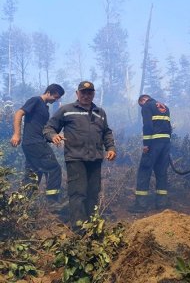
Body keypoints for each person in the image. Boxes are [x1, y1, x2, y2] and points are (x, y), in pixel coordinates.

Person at [43, 81, 116, 230]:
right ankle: (78, 228)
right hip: (75, 158)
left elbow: (106, 132)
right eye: (83, 92)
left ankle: (92, 225)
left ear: (93, 94)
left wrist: (111, 148)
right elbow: (49, 128)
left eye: (89, 93)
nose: (86, 95)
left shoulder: (100, 113)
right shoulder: (66, 110)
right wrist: (53, 136)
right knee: (78, 192)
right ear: (77, 93)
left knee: (93, 192)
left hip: (95, 159)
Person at [10, 84, 65, 202]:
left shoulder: (45, 108)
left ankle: (23, 204)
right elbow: (19, 113)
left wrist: (53, 137)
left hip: (33, 143)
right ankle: (52, 201)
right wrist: (16, 134)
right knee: (54, 168)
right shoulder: (35, 100)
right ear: (49, 92)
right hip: (35, 143)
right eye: (55, 97)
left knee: (33, 174)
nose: (56, 100)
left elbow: (42, 128)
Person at [129, 94, 172, 213]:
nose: (141, 107)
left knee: (144, 171)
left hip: (153, 143)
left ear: (143, 100)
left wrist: (146, 144)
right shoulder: (165, 107)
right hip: (165, 143)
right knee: (162, 172)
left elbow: (147, 125)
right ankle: (162, 203)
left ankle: (141, 205)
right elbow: (169, 127)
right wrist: (166, 143)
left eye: (140, 104)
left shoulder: (147, 106)